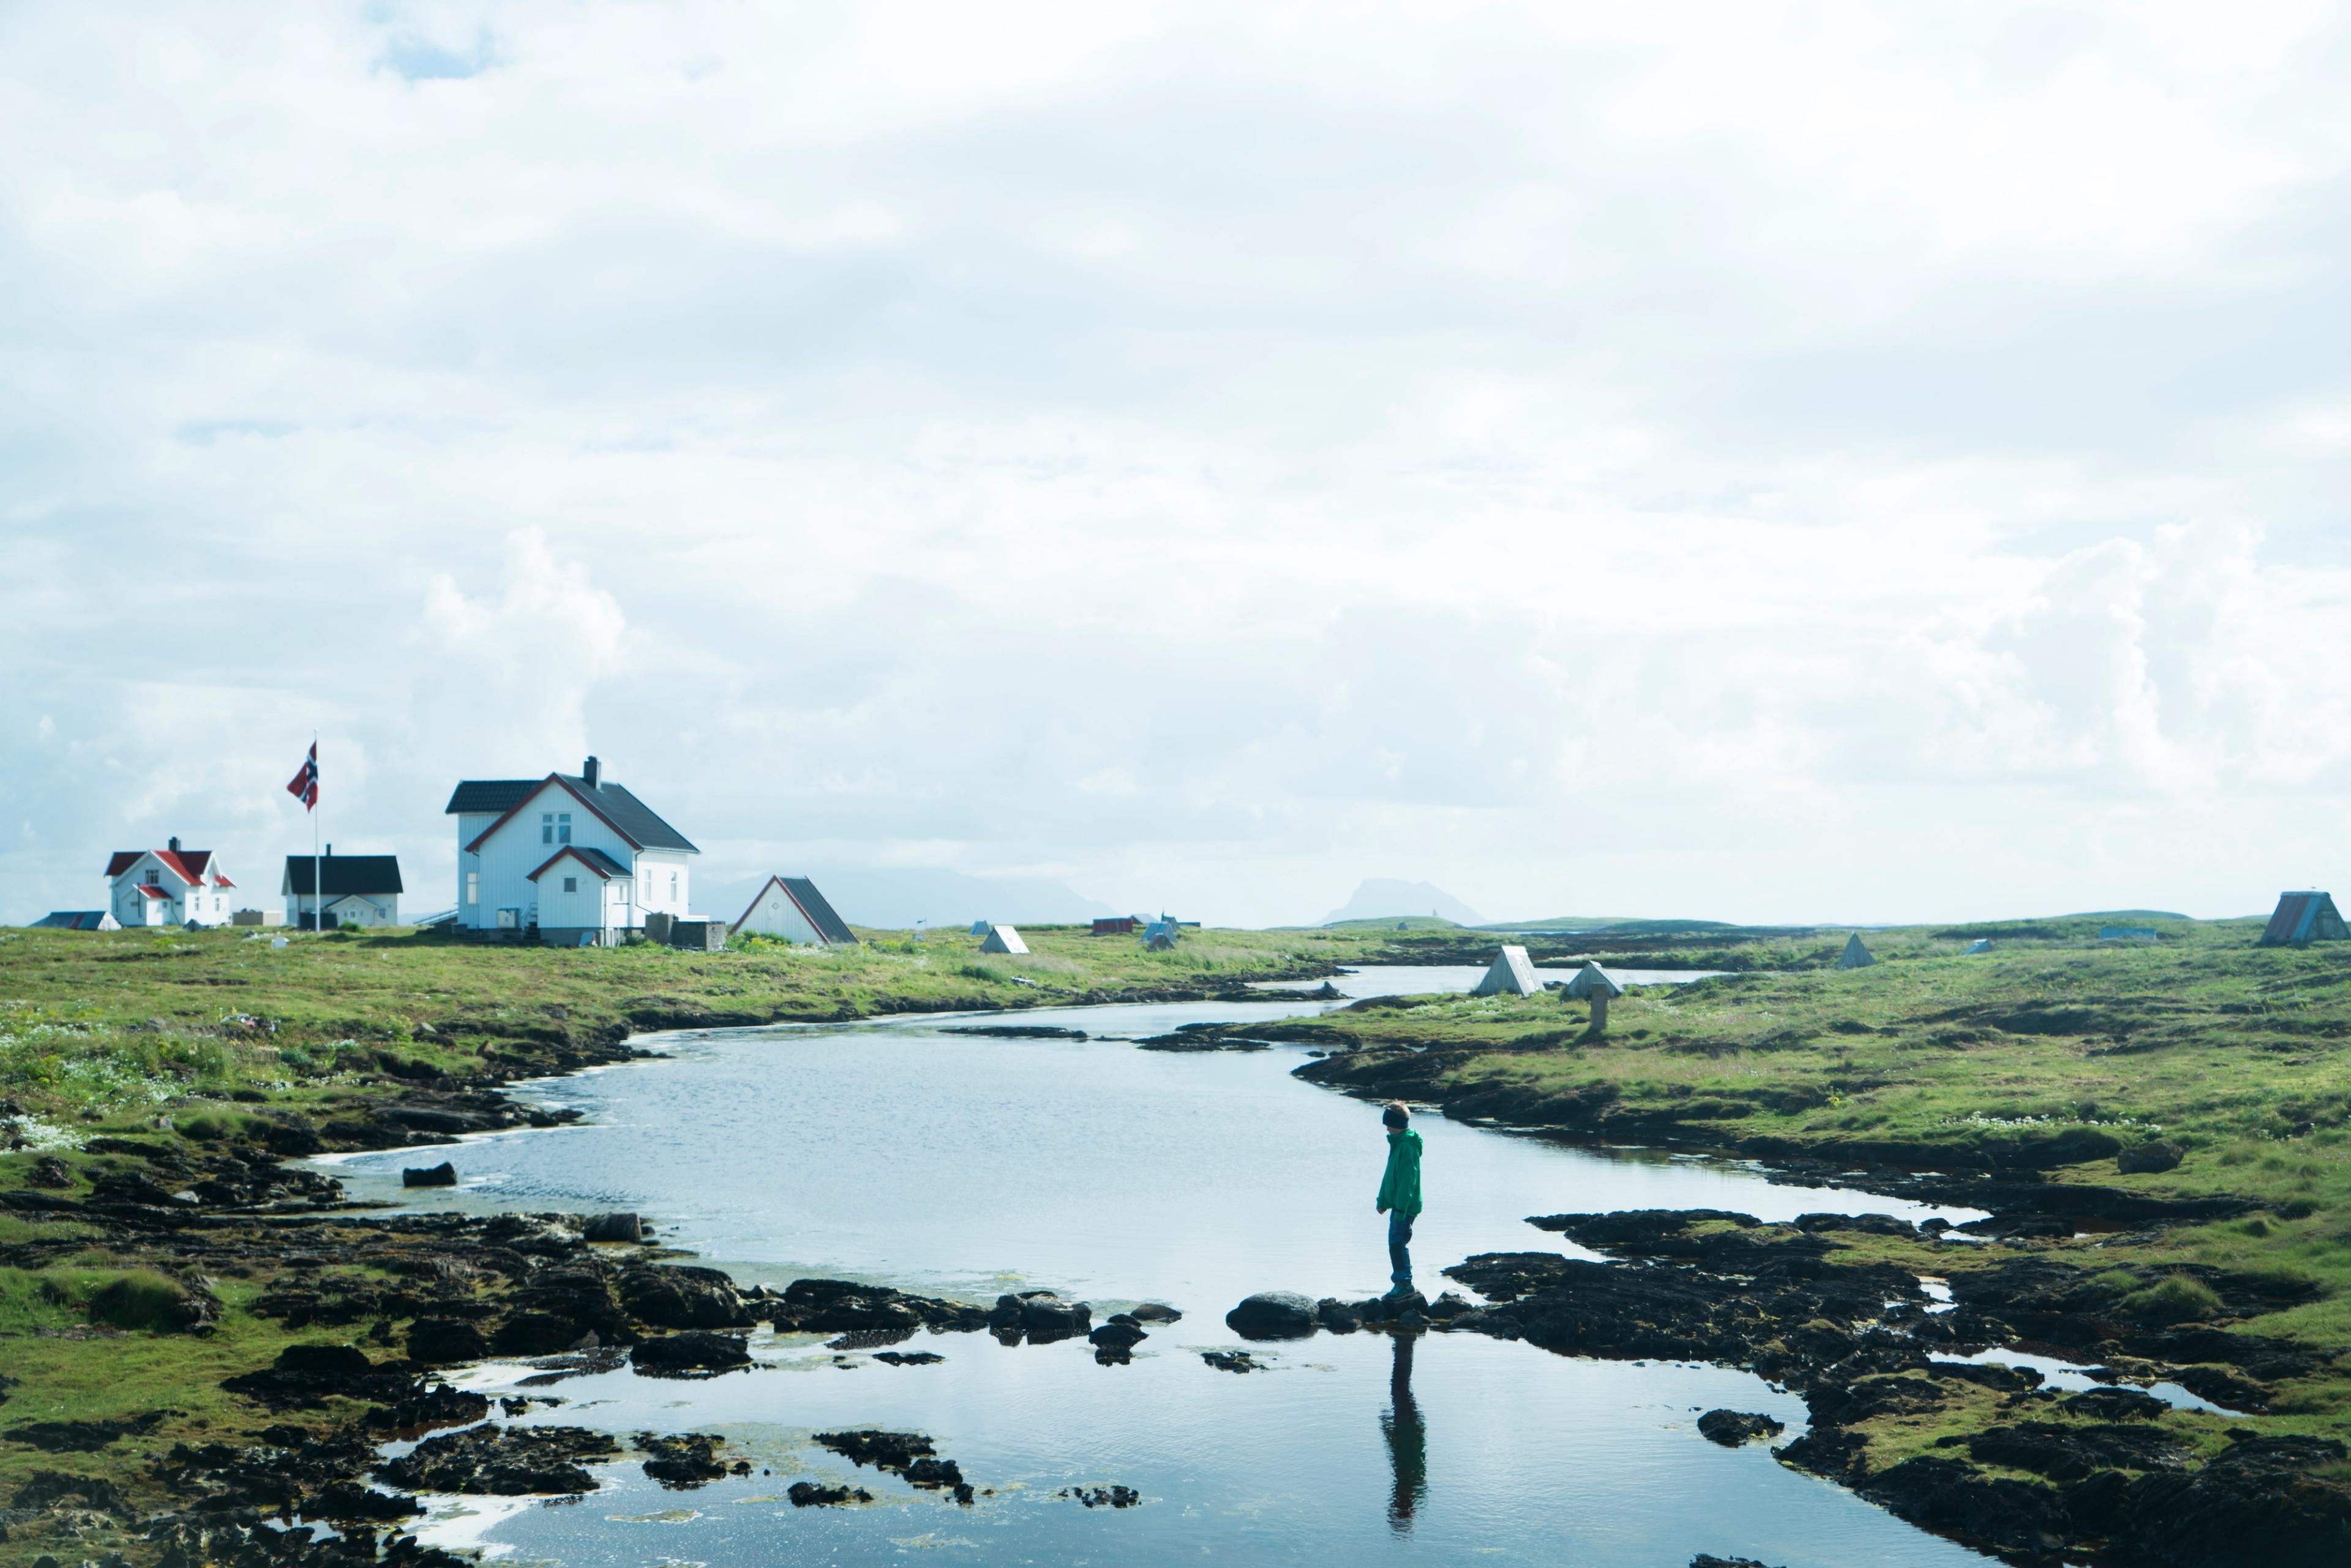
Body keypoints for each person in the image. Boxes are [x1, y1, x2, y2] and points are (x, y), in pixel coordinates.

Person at [1374, 1101, 1422, 1294]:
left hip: (1406, 1206)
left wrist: (1401, 1209)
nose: (1386, 1128)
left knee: (1397, 1242)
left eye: (1389, 1124)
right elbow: (1390, 1176)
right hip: (1399, 1205)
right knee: (1395, 1242)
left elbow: (1407, 1182)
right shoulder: (1397, 1144)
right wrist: (1382, 1201)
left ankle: (1404, 1284)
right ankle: (1401, 1282)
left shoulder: (1407, 1148)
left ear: (1397, 1124)